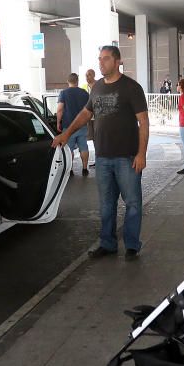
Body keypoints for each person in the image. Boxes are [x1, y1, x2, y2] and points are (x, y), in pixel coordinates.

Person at [53, 46, 149, 261]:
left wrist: (141, 154)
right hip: (103, 157)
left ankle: (132, 245)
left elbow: (143, 121)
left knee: (132, 203)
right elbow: (86, 114)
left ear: (117, 62)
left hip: (127, 157)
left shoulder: (131, 87)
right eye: (99, 59)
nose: (101, 62)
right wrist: (66, 134)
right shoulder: (96, 88)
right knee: (106, 204)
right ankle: (108, 244)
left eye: (106, 59)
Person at [56, 73, 90, 176]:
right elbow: (89, 109)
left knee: (69, 148)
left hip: (68, 126)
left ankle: (70, 170)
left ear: (68, 81)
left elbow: (60, 109)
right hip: (82, 125)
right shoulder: (84, 93)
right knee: (83, 147)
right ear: (77, 81)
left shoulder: (64, 93)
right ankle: (84, 169)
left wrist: (58, 122)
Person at [83, 68, 98, 164]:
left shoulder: (99, 85)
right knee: (92, 139)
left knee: (99, 138)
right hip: (88, 118)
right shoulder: (84, 87)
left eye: (89, 75)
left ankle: (100, 159)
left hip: (98, 117)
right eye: (86, 75)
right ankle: (97, 159)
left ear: (93, 75)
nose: (87, 77)